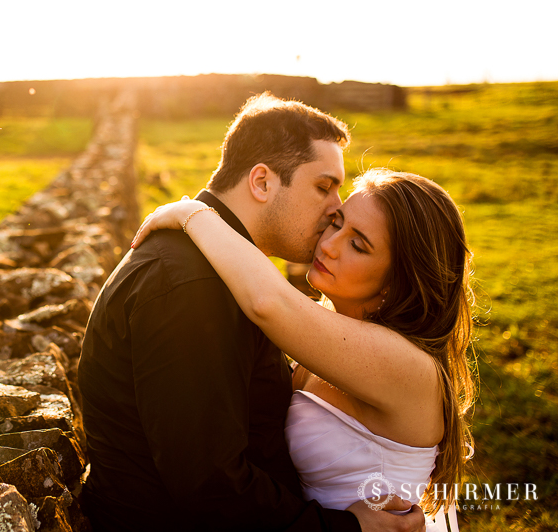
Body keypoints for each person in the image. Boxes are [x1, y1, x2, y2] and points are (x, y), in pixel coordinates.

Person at [79, 93, 426, 531]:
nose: (337, 207)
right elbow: (212, 488)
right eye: (323, 186)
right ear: (261, 182)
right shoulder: (193, 287)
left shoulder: (220, 272)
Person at [131, 169, 474, 532]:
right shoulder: (329, 334)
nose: (328, 244)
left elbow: (267, 302)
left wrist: (192, 214)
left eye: (358, 245)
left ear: (400, 279)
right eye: (337, 223)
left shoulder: (406, 365)